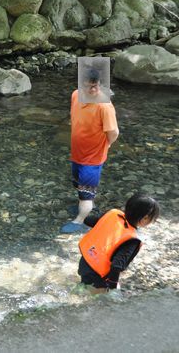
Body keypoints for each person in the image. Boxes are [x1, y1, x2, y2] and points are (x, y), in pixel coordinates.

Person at [61, 69, 119, 233]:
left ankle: (79, 221)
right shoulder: (75, 95)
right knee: (78, 184)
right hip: (78, 153)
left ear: (100, 84)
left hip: (93, 158)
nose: (92, 90)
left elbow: (114, 132)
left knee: (86, 193)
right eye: (88, 87)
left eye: (95, 86)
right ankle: (84, 203)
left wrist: (106, 145)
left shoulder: (104, 106)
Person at [77, 193, 160, 294]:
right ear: (145, 218)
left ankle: (80, 289)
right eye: (153, 219)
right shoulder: (131, 241)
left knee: (84, 285)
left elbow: (89, 220)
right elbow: (116, 266)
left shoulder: (113, 214)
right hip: (97, 274)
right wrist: (112, 289)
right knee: (100, 299)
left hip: (85, 262)